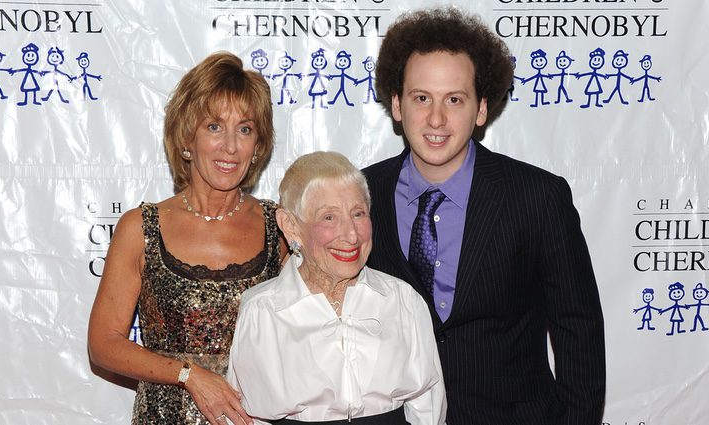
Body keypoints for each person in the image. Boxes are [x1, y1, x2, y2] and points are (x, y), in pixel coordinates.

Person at [362, 7, 606, 425]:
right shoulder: (362, 195)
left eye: (454, 99)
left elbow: (577, 330)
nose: (436, 118)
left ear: (481, 110)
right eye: (422, 98)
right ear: (397, 104)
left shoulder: (538, 197)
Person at [88, 51, 286, 425]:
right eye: (214, 126)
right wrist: (189, 375)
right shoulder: (140, 227)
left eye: (245, 129)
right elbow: (104, 344)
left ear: (258, 146)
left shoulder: (280, 227)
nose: (230, 146)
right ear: (186, 139)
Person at [228, 151, 446, 425]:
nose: (351, 235)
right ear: (290, 225)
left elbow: (429, 412)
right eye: (329, 217)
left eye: (358, 213)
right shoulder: (262, 311)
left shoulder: (404, 301)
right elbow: (245, 419)